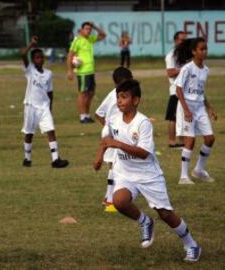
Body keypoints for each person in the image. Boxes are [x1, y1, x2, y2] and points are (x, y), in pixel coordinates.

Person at [93, 79, 201, 262]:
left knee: (165, 214)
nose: (119, 101)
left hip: (148, 175)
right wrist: (100, 155)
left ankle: (191, 244)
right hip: (125, 172)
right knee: (118, 201)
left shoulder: (143, 123)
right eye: (118, 97)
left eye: (124, 97)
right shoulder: (113, 118)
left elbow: (143, 153)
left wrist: (117, 144)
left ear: (135, 100)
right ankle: (145, 221)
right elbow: (107, 137)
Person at [21, 36, 69, 168]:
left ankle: (55, 159)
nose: (40, 59)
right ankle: (27, 158)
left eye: (42, 57)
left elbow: (50, 92)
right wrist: (32, 43)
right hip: (31, 106)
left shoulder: (48, 73)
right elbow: (23, 54)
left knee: (51, 131)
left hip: (44, 107)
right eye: (37, 57)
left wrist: (50, 108)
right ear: (33, 60)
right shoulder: (30, 70)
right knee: (29, 133)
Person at [175, 37, 217, 185]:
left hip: (199, 107)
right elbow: (178, 89)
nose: (204, 51)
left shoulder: (205, 70)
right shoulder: (187, 68)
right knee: (190, 140)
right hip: (187, 107)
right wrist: (186, 109)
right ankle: (183, 176)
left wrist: (209, 108)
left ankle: (198, 170)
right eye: (201, 49)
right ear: (194, 51)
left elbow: (200, 91)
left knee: (210, 139)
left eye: (206, 48)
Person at [94, 67, 133, 212]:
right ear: (117, 84)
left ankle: (111, 197)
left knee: (118, 165)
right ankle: (110, 200)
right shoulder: (114, 96)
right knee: (114, 165)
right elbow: (98, 114)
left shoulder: (126, 96)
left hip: (118, 133)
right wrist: (108, 126)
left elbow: (99, 113)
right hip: (112, 135)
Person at [67, 21, 106, 124]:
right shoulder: (77, 40)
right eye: (87, 29)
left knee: (91, 93)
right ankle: (82, 116)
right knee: (83, 94)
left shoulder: (90, 39)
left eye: (90, 29)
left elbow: (103, 35)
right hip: (82, 72)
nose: (89, 31)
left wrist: (95, 26)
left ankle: (87, 115)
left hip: (90, 71)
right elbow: (70, 55)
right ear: (82, 30)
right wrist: (70, 70)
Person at [165, 31, 186, 148]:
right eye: (182, 40)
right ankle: (172, 142)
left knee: (182, 116)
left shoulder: (186, 54)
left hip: (185, 90)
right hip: (175, 91)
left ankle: (182, 141)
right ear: (176, 41)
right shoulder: (171, 55)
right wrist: (184, 69)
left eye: (185, 40)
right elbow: (170, 72)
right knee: (173, 117)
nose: (184, 42)